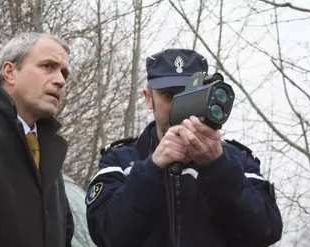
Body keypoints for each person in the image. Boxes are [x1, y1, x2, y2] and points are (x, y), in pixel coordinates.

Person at [85, 48, 283, 247]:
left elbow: (265, 232)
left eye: (188, 94)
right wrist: (152, 168)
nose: (179, 105)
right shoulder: (120, 160)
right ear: (148, 98)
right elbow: (108, 235)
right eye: (169, 95)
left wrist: (217, 167)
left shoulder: (237, 160)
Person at [0, 32, 74, 247]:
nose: (60, 80)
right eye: (48, 66)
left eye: (64, 73)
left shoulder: (48, 151)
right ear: (10, 72)